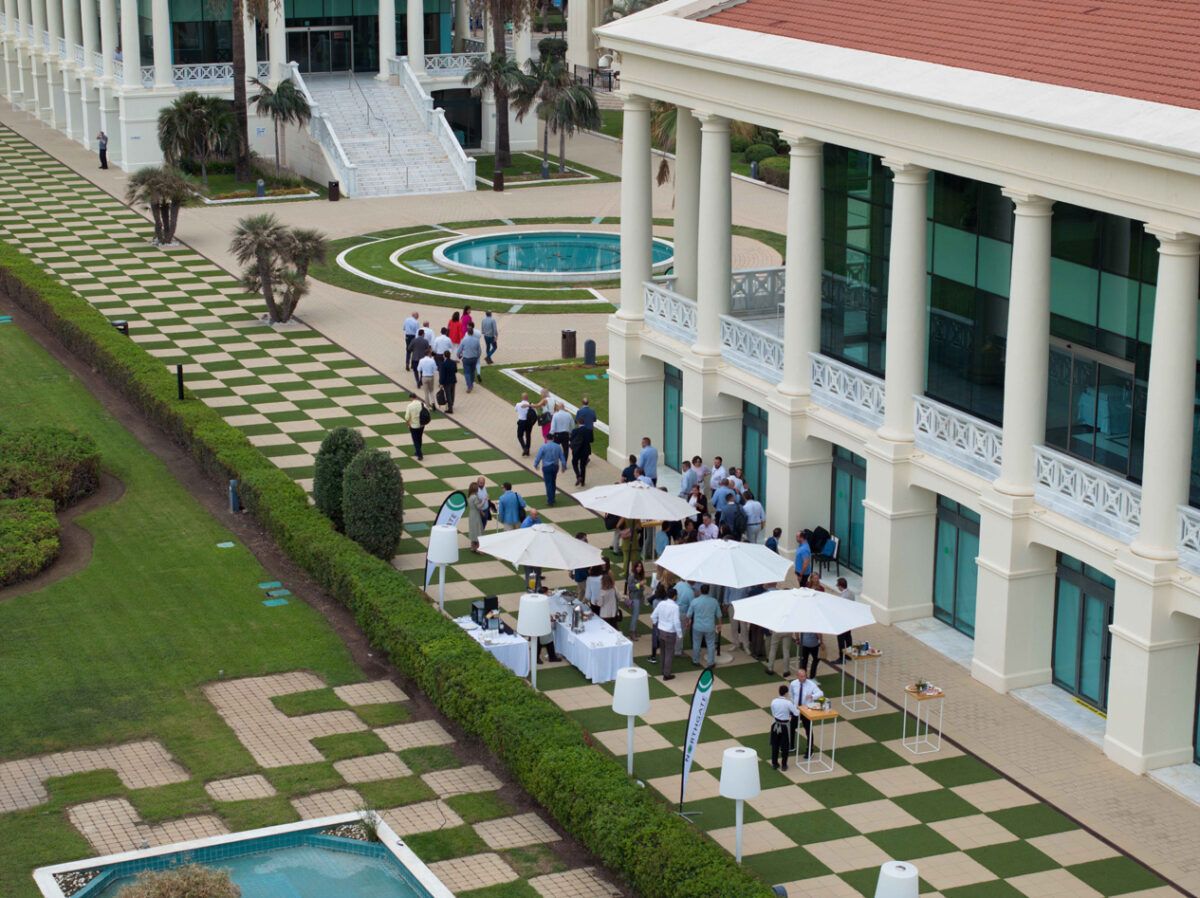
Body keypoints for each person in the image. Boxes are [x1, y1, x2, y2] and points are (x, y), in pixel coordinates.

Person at [788, 669, 824, 756]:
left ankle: (810, 750)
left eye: (805, 676)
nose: (804, 678)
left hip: (807, 710)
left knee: (808, 730)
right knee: (791, 728)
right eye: (801, 676)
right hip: (797, 709)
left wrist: (812, 696)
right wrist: (793, 706)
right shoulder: (793, 684)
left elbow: (821, 693)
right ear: (797, 676)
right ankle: (791, 745)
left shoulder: (811, 684)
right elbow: (791, 695)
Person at [650, 588, 682, 680]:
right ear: (675, 596)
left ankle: (663, 670)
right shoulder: (675, 607)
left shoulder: (661, 604)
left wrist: (657, 624)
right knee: (669, 653)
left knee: (663, 652)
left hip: (661, 631)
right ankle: (666, 674)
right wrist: (679, 634)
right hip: (670, 633)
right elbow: (676, 622)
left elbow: (653, 616)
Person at [689, 584, 721, 667]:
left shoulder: (695, 601)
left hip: (697, 627)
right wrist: (719, 625)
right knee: (711, 645)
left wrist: (688, 622)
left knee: (696, 644)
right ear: (709, 591)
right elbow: (719, 615)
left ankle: (695, 661)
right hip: (709, 627)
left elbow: (688, 615)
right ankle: (710, 663)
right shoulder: (714, 601)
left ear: (700, 591)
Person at [769, 685, 800, 771]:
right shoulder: (788, 703)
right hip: (785, 726)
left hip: (775, 724)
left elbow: (773, 713)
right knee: (785, 746)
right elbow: (796, 713)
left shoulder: (774, 701)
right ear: (786, 693)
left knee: (775, 745)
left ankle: (774, 763)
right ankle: (784, 765)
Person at [533, 435, 565, 505]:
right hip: (555, 467)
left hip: (547, 467)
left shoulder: (543, 446)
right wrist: (563, 466)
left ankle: (550, 500)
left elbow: (538, 456)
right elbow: (562, 457)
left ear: (546, 438)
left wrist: (535, 464)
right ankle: (552, 498)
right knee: (553, 482)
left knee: (548, 484)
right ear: (553, 438)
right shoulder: (558, 446)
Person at [625, 560, 647, 640]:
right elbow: (630, 587)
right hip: (634, 598)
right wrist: (640, 584)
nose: (639, 568)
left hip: (639, 597)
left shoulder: (639, 575)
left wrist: (642, 586)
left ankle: (634, 630)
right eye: (637, 566)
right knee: (635, 615)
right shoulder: (632, 576)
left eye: (640, 566)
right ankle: (632, 632)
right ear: (634, 567)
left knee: (636, 615)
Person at [836, 577, 856, 658]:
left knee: (840, 638)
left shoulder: (843, 597)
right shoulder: (851, 593)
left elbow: (840, 609)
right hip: (849, 619)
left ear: (841, 586)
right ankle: (848, 655)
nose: (838, 587)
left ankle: (842, 657)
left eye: (838, 586)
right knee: (848, 637)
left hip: (843, 620)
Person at [458, 325, 483, 391]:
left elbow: (459, 350)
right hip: (474, 358)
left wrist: (458, 355)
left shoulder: (464, 340)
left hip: (466, 358)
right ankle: (471, 383)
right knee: (472, 371)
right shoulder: (476, 340)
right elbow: (480, 351)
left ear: (468, 333)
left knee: (467, 373)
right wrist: (477, 356)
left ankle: (469, 385)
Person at [404, 395, 429, 460]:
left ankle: (419, 454)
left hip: (413, 425)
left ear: (411, 398)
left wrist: (407, 423)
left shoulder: (409, 406)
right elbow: (427, 412)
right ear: (416, 397)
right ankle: (418, 451)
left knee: (415, 440)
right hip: (421, 424)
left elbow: (407, 417)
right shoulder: (422, 404)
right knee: (419, 438)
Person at [570, 421, 593, 486]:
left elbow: (571, 439)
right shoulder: (589, 430)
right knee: (583, 466)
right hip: (585, 450)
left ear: (578, 423)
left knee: (574, 463)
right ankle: (582, 482)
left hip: (576, 450)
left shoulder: (575, 430)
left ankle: (578, 476)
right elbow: (591, 440)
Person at [467, 481, 487, 552]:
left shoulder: (470, 496)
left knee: (473, 530)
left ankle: (473, 547)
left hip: (471, 514)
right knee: (478, 530)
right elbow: (478, 506)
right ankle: (479, 548)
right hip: (476, 515)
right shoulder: (475, 497)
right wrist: (484, 501)